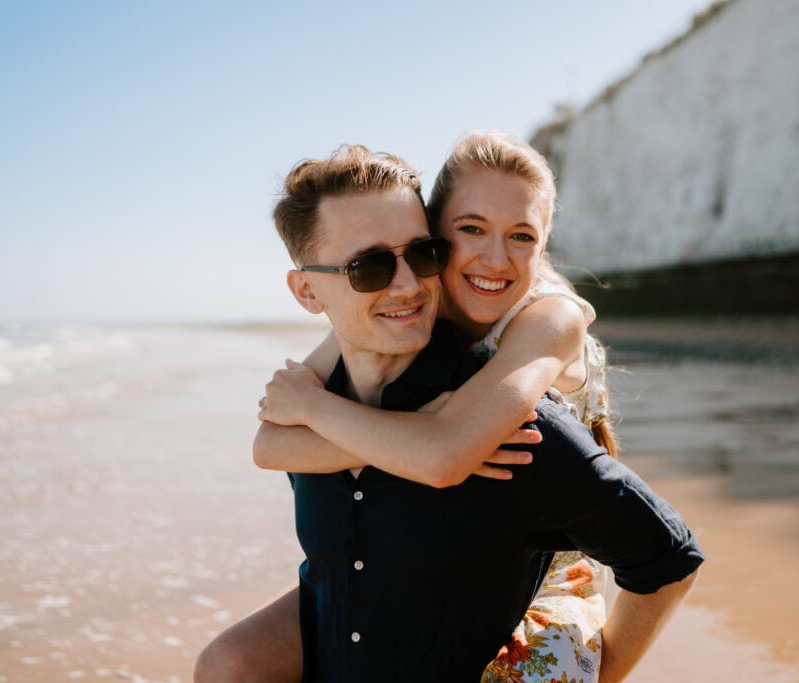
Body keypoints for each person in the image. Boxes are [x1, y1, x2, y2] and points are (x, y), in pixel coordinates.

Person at [195, 143, 703, 682]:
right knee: (228, 663)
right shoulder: (362, 356)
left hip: (549, 573)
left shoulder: (539, 344)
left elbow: (444, 455)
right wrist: (389, 435)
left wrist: (607, 671)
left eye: (421, 255)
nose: (407, 283)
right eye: (369, 268)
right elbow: (271, 445)